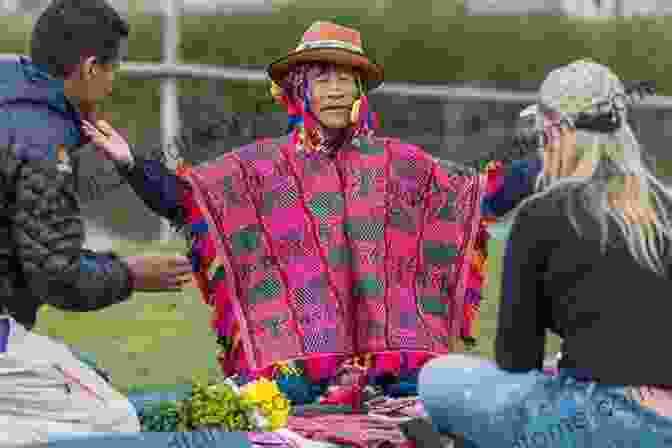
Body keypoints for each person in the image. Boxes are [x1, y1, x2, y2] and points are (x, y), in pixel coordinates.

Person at [84, 21, 541, 406]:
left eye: (347, 79)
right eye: (323, 79)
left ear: (360, 89)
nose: (336, 90)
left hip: (392, 364)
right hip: (294, 363)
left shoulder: (397, 165)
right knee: (214, 409)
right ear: (299, 88)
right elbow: (187, 200)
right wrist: (129, 163)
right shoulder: (262, 169)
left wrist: (554, 156)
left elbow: (480, 195)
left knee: (457, 396)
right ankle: (106, 409)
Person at [418, 59, 672, 447]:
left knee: (439, 376)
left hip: (595, 424)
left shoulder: (543, 213)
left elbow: (518, 360)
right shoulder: (666, 208)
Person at [0, 0, 192, 445]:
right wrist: (130, 275)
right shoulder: (41, 140)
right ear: (89, 67)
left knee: (88, 372)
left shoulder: (14, 94)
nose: (113, 79)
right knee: (114, 419)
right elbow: (56, 276)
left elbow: (32, 247)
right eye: (113, 67)